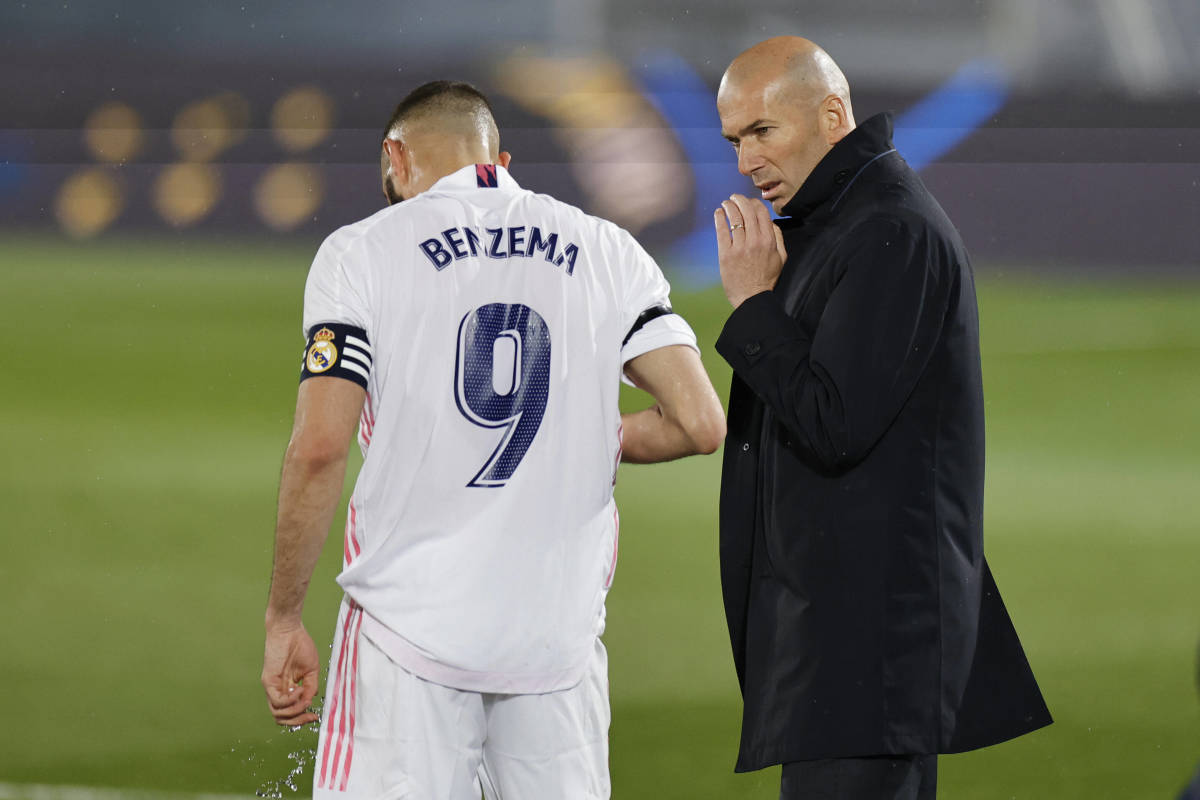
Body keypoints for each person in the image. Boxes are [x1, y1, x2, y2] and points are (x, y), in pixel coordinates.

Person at [260, 80, 726, 799]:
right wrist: (585, 437)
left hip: (408, 629)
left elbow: (320, 448)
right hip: (556, 642)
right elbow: (701, 423)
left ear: (395, 157)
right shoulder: (606, 248)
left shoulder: (361, 252)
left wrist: (284, 615)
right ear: (499, 158)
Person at [711, 37, 1052, 799]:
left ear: (832, 114)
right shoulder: (837, 221)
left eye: (762, 131)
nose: (744, 162)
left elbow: (833, 422)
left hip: (869, 654)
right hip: (843, 649)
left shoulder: (890, 230)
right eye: (735, 140)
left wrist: (755, 306)